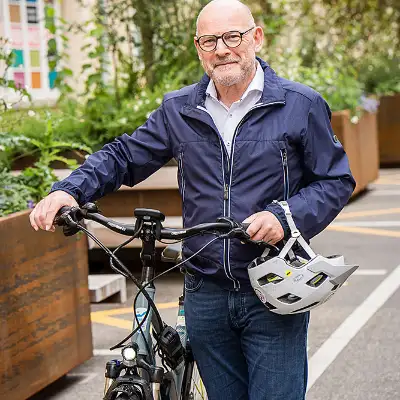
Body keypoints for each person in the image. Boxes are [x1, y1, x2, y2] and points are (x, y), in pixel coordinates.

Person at [30, 0, 355, 399]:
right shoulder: (178, 109)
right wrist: (70, 189)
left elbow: (335, 180)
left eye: (233, 37)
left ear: (256, 38)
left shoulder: (300, 104)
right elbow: (124, 156)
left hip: (272, 286)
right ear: (198, 48)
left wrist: (284, 218)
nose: (222, 49)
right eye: (209, 40)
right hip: (205, 293)